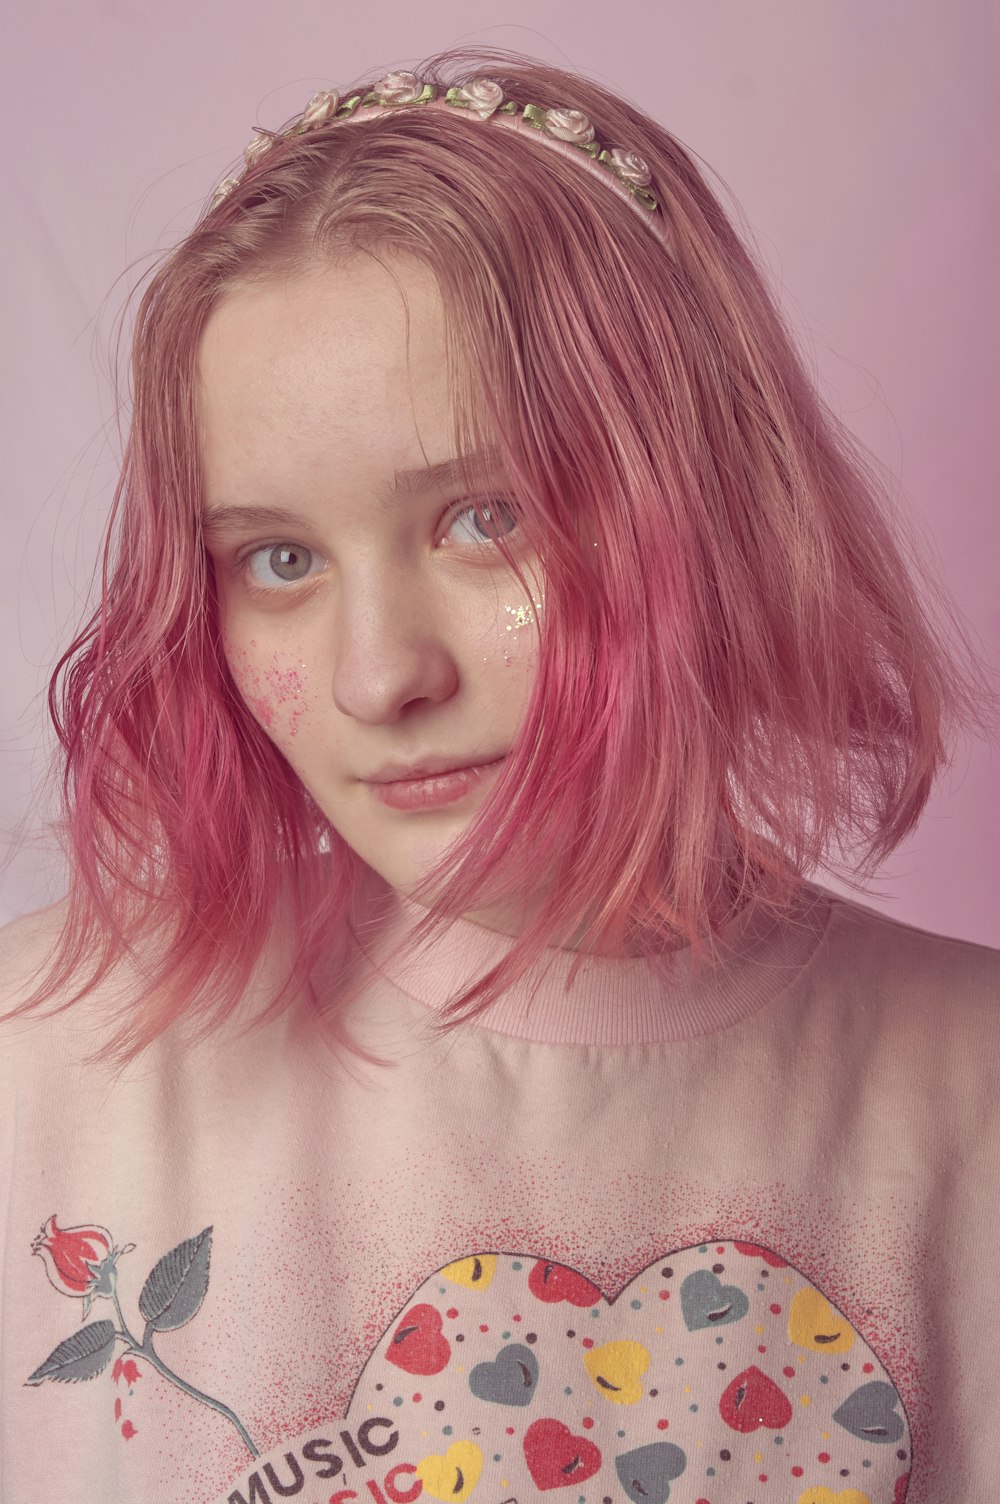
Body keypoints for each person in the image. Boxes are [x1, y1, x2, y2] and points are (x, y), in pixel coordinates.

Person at [1, 44, 998, 1504]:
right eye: (277, 561)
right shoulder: (34, 1065)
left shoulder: (965, 1097)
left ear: (712, 508)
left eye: (485, 520)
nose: (378, 677)